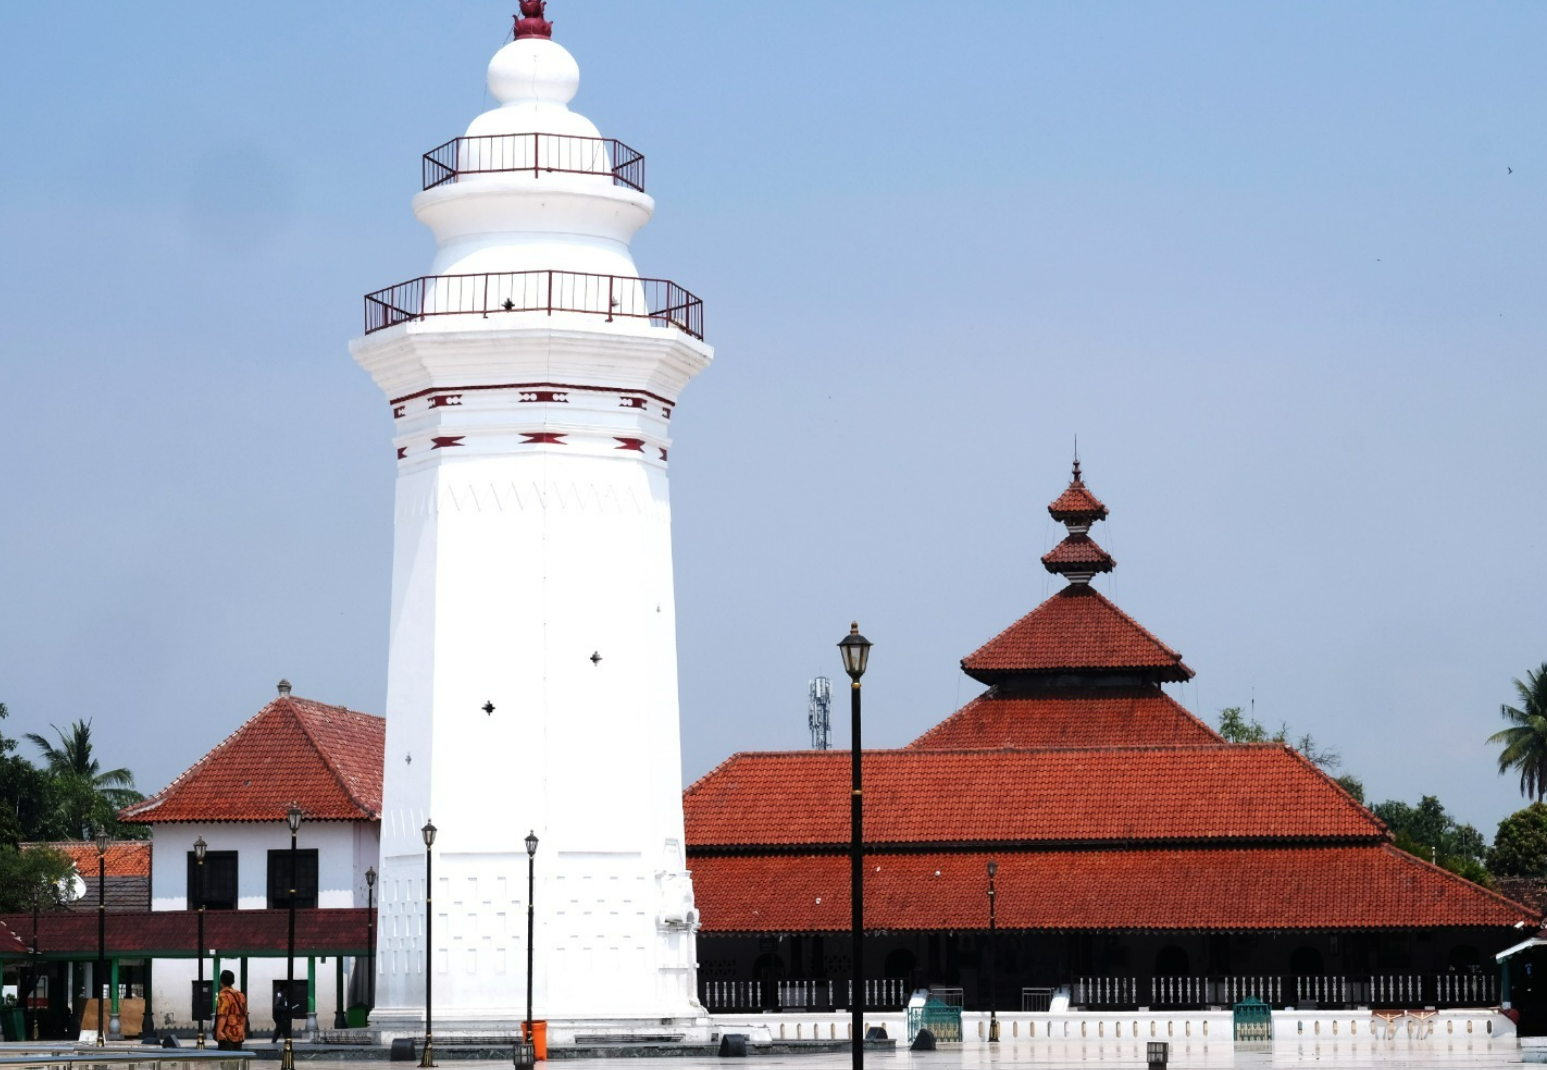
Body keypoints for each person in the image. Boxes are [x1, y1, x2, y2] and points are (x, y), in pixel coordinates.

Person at [213, 970, 247, 1051]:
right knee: (236, 1061)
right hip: (239, 1034)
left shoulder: (223, 995)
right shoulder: (240, 995)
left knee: (226, 1061)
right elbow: (244, 1015)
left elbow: (223, 1015)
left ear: (221, 982)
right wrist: (242, 1030)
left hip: (227, 1035)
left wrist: (219, 1031)